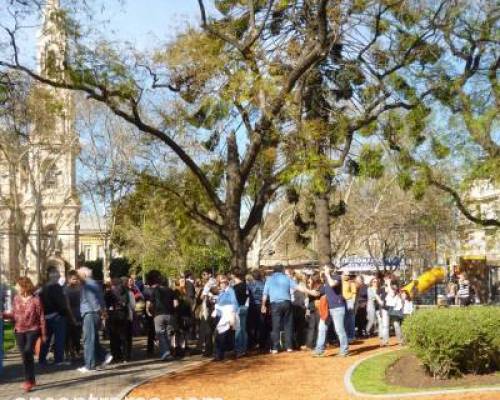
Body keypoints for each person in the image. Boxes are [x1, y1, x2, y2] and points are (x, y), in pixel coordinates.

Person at [261, 264, 318, 354]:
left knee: (276, 325)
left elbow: (265, 294)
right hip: (286, 303)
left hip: (275, 304)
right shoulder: (287, 279)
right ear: (281, 270)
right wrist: (310, 291)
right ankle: (289, 347)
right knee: (288, 325)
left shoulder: (269, 280)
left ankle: (275, 348)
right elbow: (299, 288)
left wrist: (263, 305)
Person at [7, 277, 46, 392]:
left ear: (24, 286)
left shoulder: (36, 299)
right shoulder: (16, 299)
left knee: (28, 350)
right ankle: (30, 379)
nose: (16, 288)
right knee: (25, 356)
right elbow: (14, 314)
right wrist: (4, 315)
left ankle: (28, 381)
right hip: (19, 330)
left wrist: (44, 334)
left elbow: (41, 317)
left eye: (18, 286)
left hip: (32, 329)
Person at [77, 267, 113, 373]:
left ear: (84, 275)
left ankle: (90, 365)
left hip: (89, 313)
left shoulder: (87, 284)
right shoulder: (94, 284)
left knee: (88, 340)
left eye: (79, 274)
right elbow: (100, 299)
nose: (78, 277)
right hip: (94, 313)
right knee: (93, 339)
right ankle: (104, 356)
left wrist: (100, 311)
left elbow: (93, 300)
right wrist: (103, 311)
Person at [39, 266, 74, 366]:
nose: (59, 275)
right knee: (59, 338)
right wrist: (65, 313)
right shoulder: (56, 287)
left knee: (46, 339)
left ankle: (42, 359)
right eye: (57, 273)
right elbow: (61, 303)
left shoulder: (43, 288)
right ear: (53, 275)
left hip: (46, 316)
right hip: (58, 316)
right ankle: (59, 360)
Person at [313, 265, 349, 357]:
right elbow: (320, 292)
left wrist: (328, 275)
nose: (324, 270)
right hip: (327, 309)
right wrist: (314, 291)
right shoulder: (325, 280)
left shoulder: (337, 277)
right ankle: (319, 350)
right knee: (321, 328)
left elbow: (333, 284)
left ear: (332, 269)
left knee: (339, 330)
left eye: (325, 268)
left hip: (337, 307)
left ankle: (344, 350)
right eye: (324, 268)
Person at [146, 271, 178, 361]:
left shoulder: (155, 291)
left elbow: (151, 304)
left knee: (160, 334)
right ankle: (170, 351)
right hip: (170, 315)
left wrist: (150, 311)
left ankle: (166, 353)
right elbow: (176, 304)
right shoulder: (171, 291)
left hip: (158, 315)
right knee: (168, 334)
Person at [105, 276, 133, 363]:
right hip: (123, 315)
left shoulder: (109, 292)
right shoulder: (126, 291)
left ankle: (116, 355)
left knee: (113, 337)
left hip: (113, 315)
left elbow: (106, 304)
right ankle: (125, 356)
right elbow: (127, 303)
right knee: (124, 337)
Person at [213, 275, 239, 361]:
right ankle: (219, 354)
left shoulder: (230, 291)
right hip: (219, 315)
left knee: (223, 336)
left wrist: (232, 316)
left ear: (227, 283)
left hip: (227, 316)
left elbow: (234, 303)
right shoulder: (222, 292)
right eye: (220, 283)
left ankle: (221, 355)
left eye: (223, 283)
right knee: (220, 336)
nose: (221, 284)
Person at [198, 268, 217, 357]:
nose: (203, 276)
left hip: (210, 308)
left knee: (208, 330)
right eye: (203, 275)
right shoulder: (214, 282)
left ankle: (209, 350)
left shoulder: (210, 283)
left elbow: (202, 297)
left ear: (209, 274)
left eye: (205, 274)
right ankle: (212, 349)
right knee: (212, 330)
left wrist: (201, 293)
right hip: (213, 307)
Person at [64, 270, 82, 362]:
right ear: (69, 279)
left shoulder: (79, 288)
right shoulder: (66, 290)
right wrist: (72, 317)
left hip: (79, 313)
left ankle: (76, 350)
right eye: (74, 279)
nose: (75, 281)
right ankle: (68, 352)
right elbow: (67, 305)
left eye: (76, 279)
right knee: (69, 335)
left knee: (77, 335)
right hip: (69, 315)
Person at [247, 270, 266, 351]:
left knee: (251, 325)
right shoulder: (264, 284)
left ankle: (252, 343)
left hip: (252, 306)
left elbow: (247, 294)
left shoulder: (250, 285)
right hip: (261, 305)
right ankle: (261, 343)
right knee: (261, 325)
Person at [232, 269, 249, 357]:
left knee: (238, 329)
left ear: (235, 277)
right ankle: (244, 348)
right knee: (243, 329)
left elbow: (233, 299)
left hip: (238, 308)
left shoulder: (235, 288)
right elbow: (248, 296)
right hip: (244, 307)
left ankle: (239, 349)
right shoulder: (246, 286)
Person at [342, 272, 357, 342]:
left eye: (348, 275)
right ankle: (345, 336)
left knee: (350, 319)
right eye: (345, 274)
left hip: (349, 301)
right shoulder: (340, 282)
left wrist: (353, 302)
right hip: (342, 302)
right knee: (344, 320)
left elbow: (354, 293)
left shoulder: (351, 283)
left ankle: (351, 336)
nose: (346, 276)